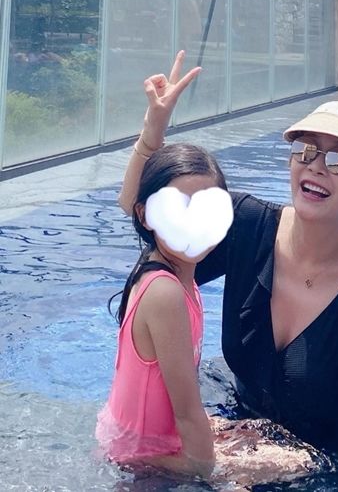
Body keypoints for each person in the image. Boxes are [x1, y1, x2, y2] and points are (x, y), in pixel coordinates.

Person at [119, 51, 338, 492]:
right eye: (305, 151)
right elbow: (146, 218)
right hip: (246, 436)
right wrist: (152, 134)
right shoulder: (247, 225)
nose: (316, 166)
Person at [96, 142, 227, 478]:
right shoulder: (164, 292)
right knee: (294, 465)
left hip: (137, 440)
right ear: (147, 216)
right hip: (139, 461)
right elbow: (187, 413)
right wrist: (213, 475)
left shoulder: (183, 279)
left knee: (271, 444)